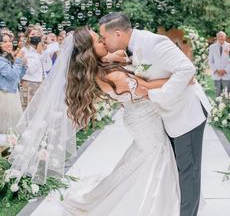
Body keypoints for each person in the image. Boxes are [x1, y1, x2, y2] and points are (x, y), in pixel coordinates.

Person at [9, 26, 195, 216]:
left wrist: (112, 58)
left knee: (140, 160)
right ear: (89, 51)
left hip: (140, 117)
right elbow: (145, 88)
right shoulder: (111, 76)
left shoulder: (98, 68)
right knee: (154, 158)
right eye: (99, 41)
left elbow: (114, 64)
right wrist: (180, 78)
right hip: (144, 121)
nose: (104, 42)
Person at [99, 12, 211, 216]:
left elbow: (187, 70)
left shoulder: (153, 42)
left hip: (187, 113)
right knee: (180, 171)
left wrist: (154, 94)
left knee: (188, 173)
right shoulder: (131, 48)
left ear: (117, 33)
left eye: (103, 37)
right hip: (171, 115)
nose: (103, 42)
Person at [0, 33, 27, 139]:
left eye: (10, 41)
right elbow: (12, 76)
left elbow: (17, 78)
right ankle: (4, 152)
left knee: (12, 129)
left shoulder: (7, 58)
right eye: (4, 41)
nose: (9, 44)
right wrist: (19, 60)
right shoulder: (1, 61)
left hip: (12, 95)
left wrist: (24, 65)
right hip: (5, 97)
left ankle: (8, 151)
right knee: (6, 128)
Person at [20, 27, 52, 109]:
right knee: (29, 110)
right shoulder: (24, 51)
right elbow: (30, 70)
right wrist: (38, 54)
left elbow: (48, 67)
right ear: (28, 38)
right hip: (30, 84)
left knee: (41, 110)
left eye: (38, 35)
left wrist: (45, 53)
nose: (35, 36)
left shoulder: (42, 49)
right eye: (32, 34)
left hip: (42, 83)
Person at [208, 31, 230, 97]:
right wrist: (216, 71)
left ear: (225, 37)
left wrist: (225, 71)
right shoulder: (212, 47)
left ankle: (227, 107)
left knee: (227, 95)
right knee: (217, 95)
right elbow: (210, 61)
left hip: (227, 75)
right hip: (217, 75)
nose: (220, 37)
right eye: (219, 36)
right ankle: (217, 107)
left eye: (222, 36)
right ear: (217, 37)